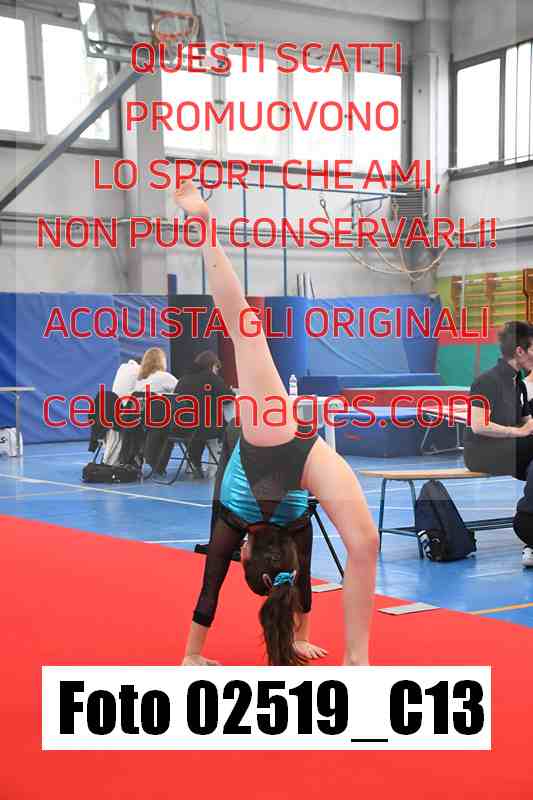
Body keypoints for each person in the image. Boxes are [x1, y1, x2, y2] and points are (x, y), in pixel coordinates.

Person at [174, 180, 378, 667]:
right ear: (248, 555)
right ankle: (356, 661)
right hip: (284, 451)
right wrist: (296, 639)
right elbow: (293, 585)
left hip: (274, 452)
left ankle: (358, 660)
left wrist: (192, 658)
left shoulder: (242, 523)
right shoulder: (275, 530)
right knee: (244, 328)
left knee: (246, 329)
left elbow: (216, 588)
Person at [464, 321, 533, 567]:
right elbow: (478, 426)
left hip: (510, 449)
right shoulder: (486, 381)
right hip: (481, 453)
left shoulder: (519, 383)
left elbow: (527, 421)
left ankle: (529, 530)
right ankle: (527, 524)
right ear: (520, 351)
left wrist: (526, 428)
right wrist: (518, 432)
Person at [146, 350, 234, 479]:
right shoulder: (211, 378)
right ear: (212, 365)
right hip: (204, 428)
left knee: (197, 424)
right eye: (217, 368)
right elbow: (228, 397)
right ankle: (218, 467)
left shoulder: (183, 379)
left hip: (179, 428)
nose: (217, 371)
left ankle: (194, 463)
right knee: (224, 427)